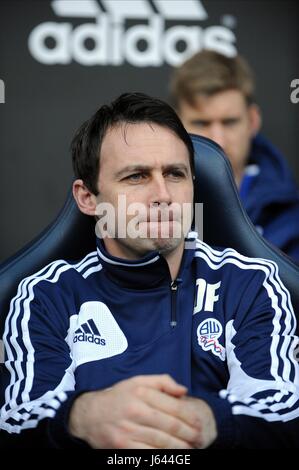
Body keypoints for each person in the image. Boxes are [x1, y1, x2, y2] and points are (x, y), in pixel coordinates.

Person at [0, 92, 299, 449]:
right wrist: (83, 417)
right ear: (88, 198)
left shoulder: (250, 282)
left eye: (175, 174)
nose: (163, 195)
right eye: (136, 176)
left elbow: (282, 410)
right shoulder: (47, 295)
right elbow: (17, 420)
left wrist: (206, 421)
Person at [170, 50, 299, 263]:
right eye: (201, 123)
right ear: (175, 124)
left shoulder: (289, 211)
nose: (217, 139)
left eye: (229, 122)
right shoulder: (151, 208)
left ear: (253, 121)